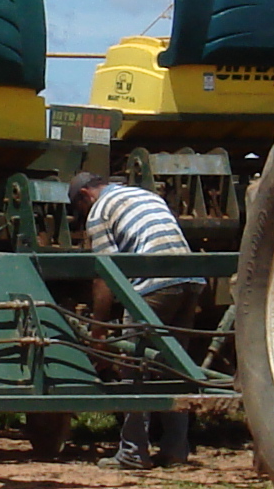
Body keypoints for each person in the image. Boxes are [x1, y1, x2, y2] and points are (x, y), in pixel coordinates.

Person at [69, 166, 201, 469]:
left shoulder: (98, 211)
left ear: (85, 196)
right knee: (174, 367)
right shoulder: (143, 195)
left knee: (133, 367)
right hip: (192, 279)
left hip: (155, 284)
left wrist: (99, 334)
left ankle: (132, 452)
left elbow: (105, 276)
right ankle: (175, 451)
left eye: (79, 208)